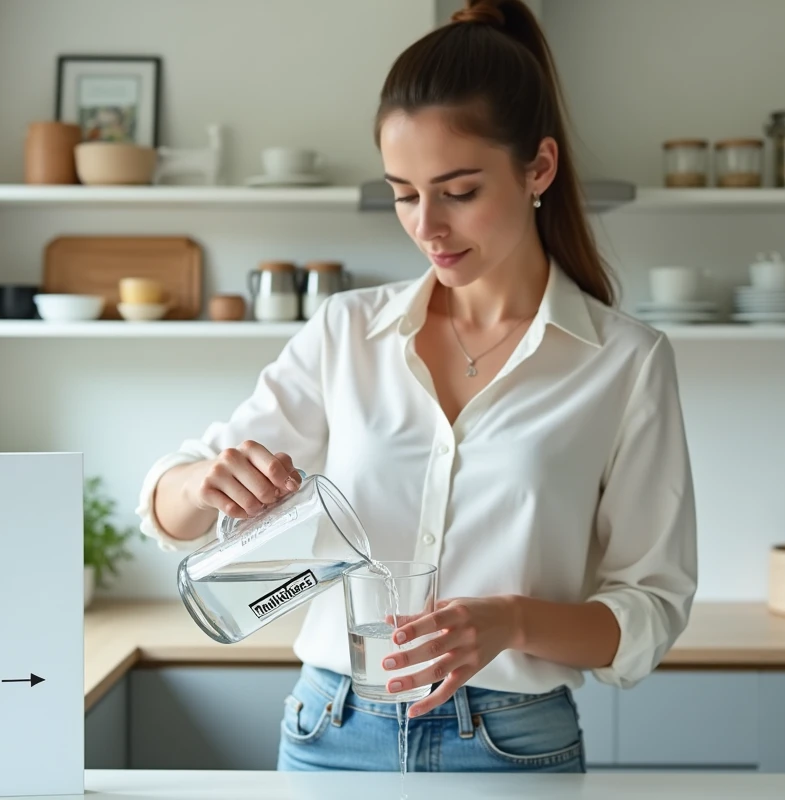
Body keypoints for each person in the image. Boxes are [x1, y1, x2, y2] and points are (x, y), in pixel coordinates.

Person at [135, 0, 697, 774]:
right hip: (331, 732)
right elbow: (169, 510)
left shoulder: (625, 362)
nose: (426, 225)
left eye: (458, 192)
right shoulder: (346, 331)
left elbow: (650, 610)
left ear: (538, 167)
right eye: (404, 193)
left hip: (509, 746)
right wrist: (204, 482)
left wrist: (510, 622)